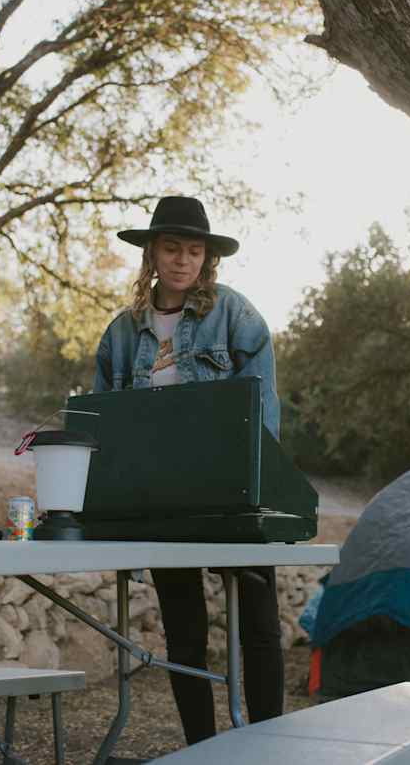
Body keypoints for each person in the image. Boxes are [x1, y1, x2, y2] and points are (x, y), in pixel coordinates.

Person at [92, 195, 283, 744]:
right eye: (172, 248)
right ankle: (203, 748)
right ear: (152, 253)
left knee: (260, 626)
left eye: (194, 250)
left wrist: (259, 487)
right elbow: (105, 423)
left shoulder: (236, 315)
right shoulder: (122, 333)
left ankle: (268, 746)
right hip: (162, 500)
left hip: (233, 493)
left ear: (207, 259)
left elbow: (265, 408)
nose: (182, 260)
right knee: (185, 634)